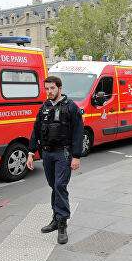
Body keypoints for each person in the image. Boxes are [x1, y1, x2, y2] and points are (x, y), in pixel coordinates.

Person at [27, 75, 83, 245]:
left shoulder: (71, 107)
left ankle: (62, 224)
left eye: (52, 88)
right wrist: (30, 153)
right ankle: (55, 218)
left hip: (63, 154)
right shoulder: (43, 107)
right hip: (47, 154)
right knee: (54, 186)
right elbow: (36, 130)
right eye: (47, 89)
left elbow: (78, 132)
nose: (49, 92)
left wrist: (76, 156)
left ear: (60, 88)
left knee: (60, 185)